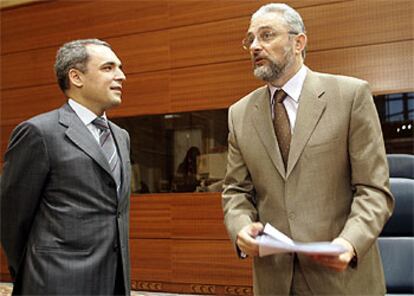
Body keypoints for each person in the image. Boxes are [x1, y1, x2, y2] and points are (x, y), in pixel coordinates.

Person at [222, 3, 394, 295]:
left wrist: (349, 242)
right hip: (274, 280)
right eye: (250, 39)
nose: (255, 46)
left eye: (266, 36)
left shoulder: (350, 96)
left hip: (341, 280)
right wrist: (240, 227)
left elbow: (374, 189)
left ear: (298, 42)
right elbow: (235, 191)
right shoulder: (239, 114)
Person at [1, 39, 131, 295]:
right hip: (55, 282)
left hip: (114, 281)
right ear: (76, 77)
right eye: (108, 68)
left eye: (120, 67)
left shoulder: (121, 136)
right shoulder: (39, 133)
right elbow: (11, 216)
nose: (122, 76)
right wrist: (32, 272)